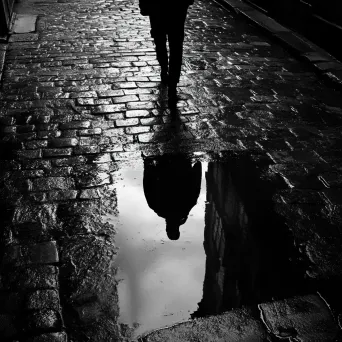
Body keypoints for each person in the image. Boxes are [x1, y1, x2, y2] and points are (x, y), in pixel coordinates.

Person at [139, 0, 194, 104]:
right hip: (175, 7)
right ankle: (171, 80)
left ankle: (167, 74)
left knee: (164, 42)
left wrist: (143, 5)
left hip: (159, 7)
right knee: (174, 45)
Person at [143, 154, 202, 240]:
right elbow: (148, 184)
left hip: (183, 163)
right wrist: (148, 164)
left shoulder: (186, 207)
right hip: (164, 164)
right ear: (167, 228)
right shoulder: (157, 207)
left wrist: (197, 165)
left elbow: (196, 184)